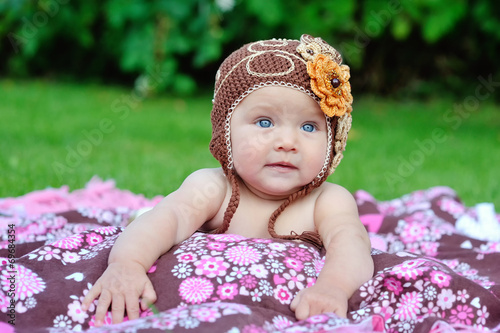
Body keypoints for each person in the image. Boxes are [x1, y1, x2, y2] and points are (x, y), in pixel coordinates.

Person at [82, 34, 374, 327]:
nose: (287, 142)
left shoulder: (327, 201)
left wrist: (333, 288)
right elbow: (165, 220)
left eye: (309, 126)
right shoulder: (213, 188)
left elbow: (352, 244)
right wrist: (128, 264)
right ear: (226, 132)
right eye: (264, 122)